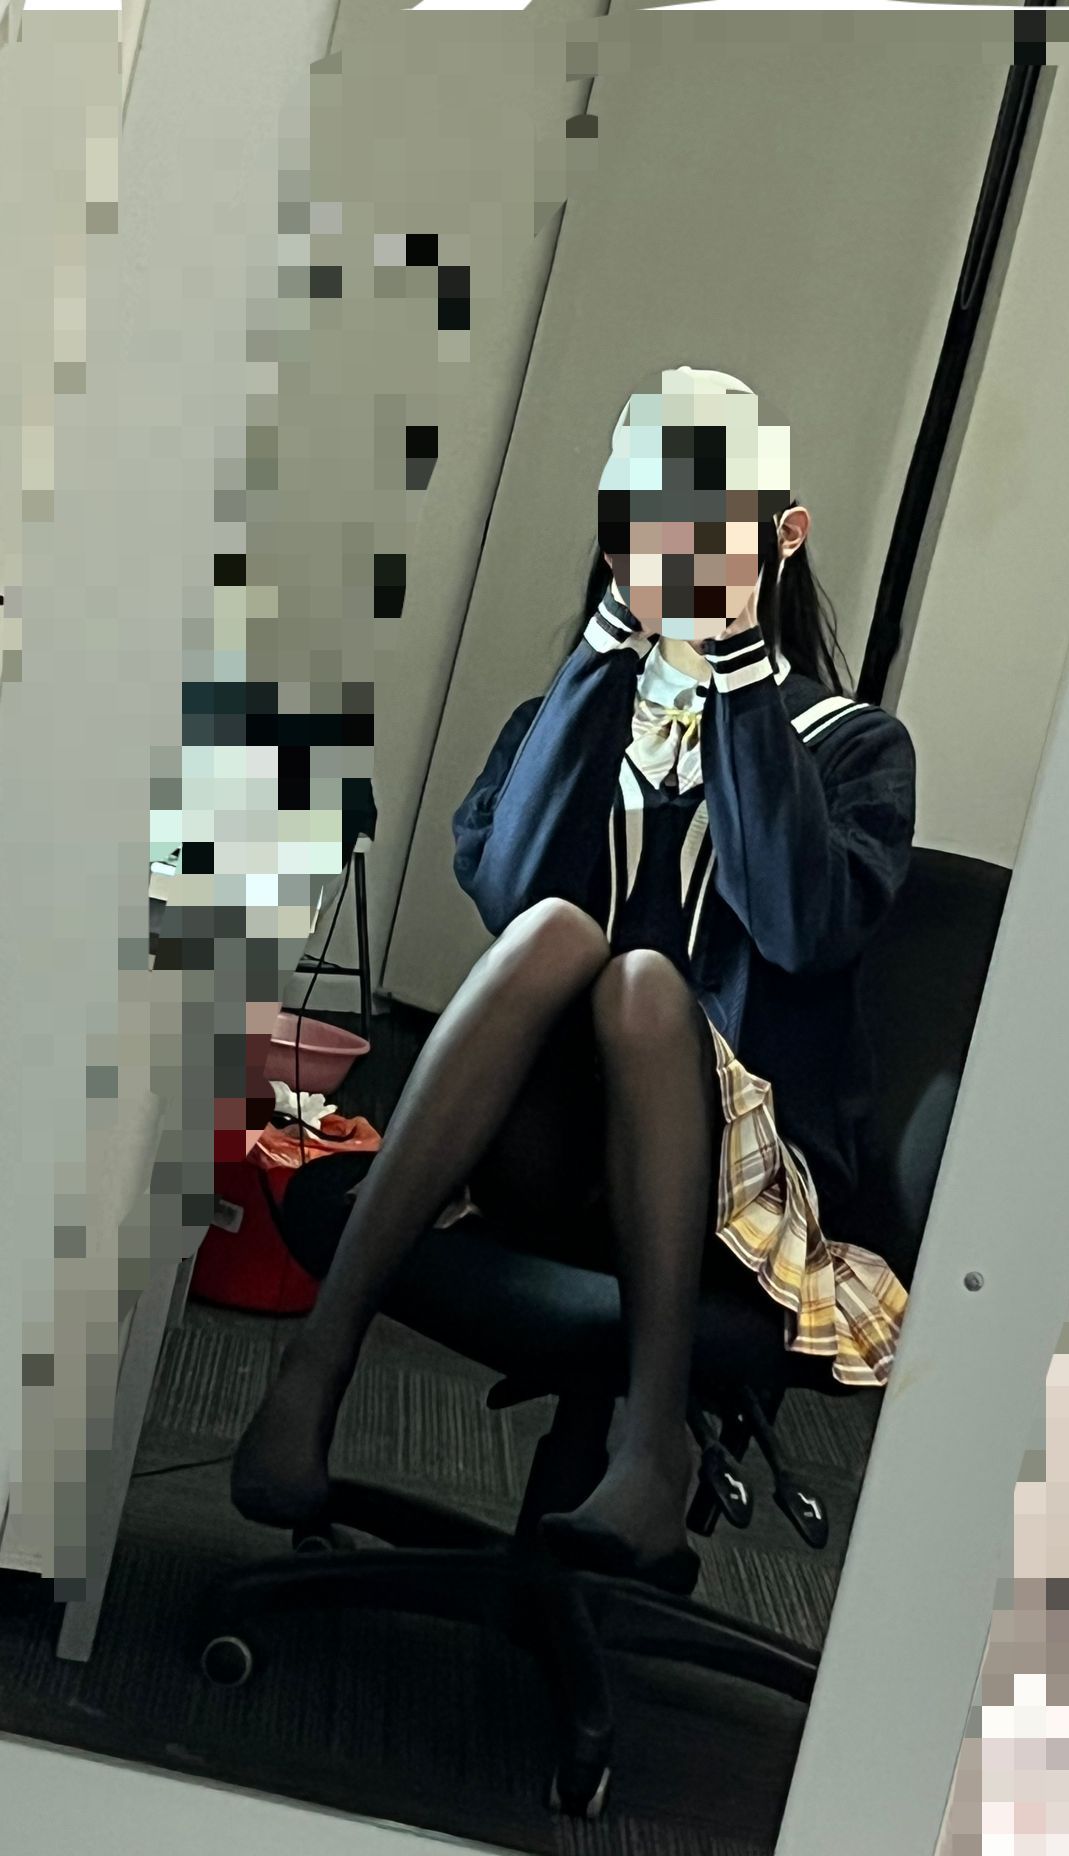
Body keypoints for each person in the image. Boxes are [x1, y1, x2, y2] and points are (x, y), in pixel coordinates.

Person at [230, 367, 918, 1595]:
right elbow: (507, 892)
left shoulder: (852, 746)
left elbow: (797, 925)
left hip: (727, 1194)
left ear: (781, 538)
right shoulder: (570, 712)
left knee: (645, 981)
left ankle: (650, 1442)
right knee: (556, 927)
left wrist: (734, 666)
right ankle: (316, 1365)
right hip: (546, 1154)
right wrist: (610, 647)